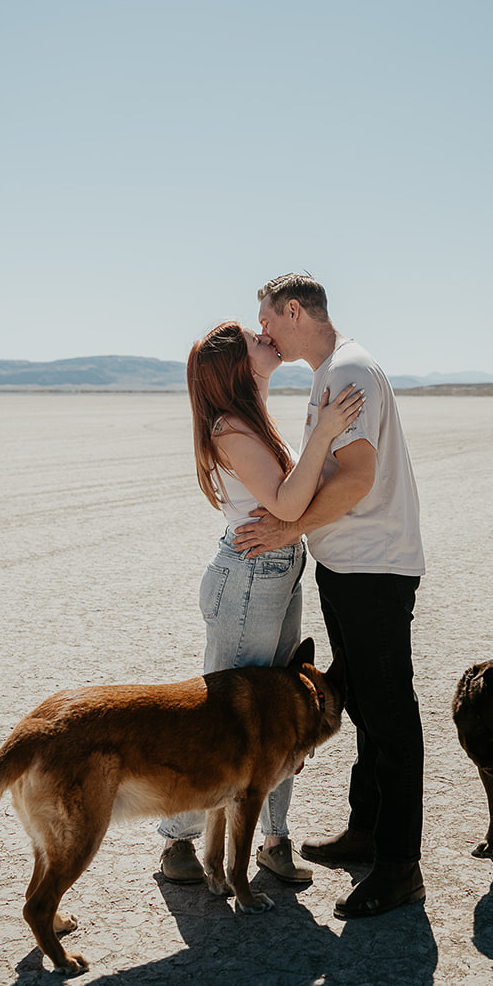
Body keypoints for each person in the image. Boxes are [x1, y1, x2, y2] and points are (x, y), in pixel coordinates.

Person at [231, 274, 426, 919]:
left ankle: (400, 867)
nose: (264, 334)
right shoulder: (328, 375)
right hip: (347, 565)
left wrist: (289, 527)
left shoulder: (349, 371)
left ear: (293, 311)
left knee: (390, 714)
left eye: (268, 321)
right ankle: (367, 832)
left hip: (375, 567)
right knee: (366, 706)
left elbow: (360, 478)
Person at [158, 319, 363, 888]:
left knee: (284, 715)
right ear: (236, 364)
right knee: (218, 724)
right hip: (249, 577)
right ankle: (178, 842)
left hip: (275, 570)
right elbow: (289, 504)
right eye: (254, 337)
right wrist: (323, 434)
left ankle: (273, 840)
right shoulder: (229, 429)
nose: (265, 336)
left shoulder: (250, 416)